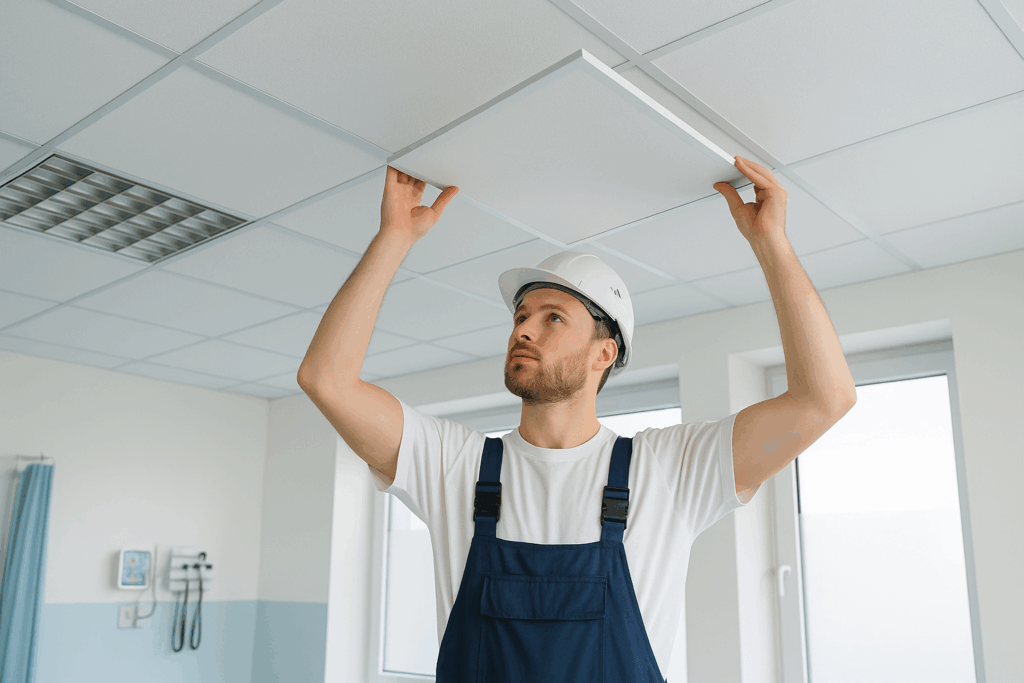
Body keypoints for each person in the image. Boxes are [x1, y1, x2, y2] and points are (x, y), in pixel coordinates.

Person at [298, 158, 857, 682]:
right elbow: (327, 380)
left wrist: (772, 245)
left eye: (552, 317)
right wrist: (392, 239)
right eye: (521, 316)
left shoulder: (668, 470)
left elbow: (824, 398)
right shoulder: (452, 464)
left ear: (603, 353)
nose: (522, 329)